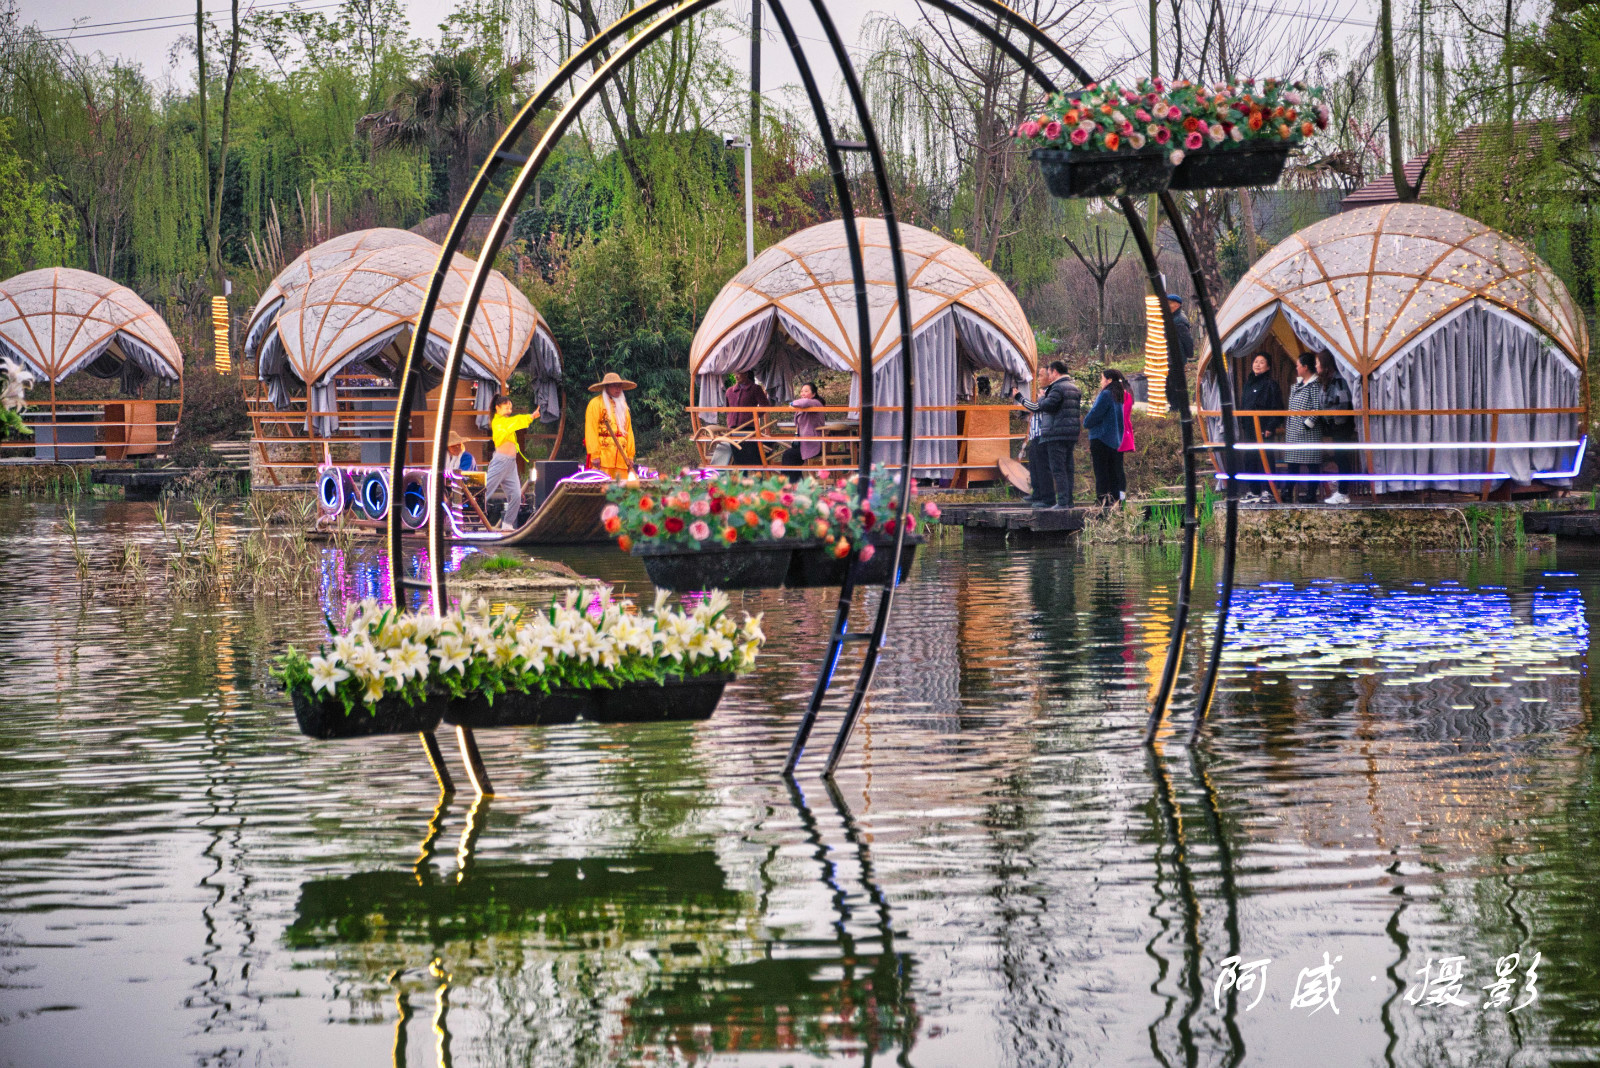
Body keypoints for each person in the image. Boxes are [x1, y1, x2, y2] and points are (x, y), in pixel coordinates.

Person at [1012, 360, 1082, 508]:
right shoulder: (1074, 388)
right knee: (1067, 468)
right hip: (1070, 433)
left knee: (1058, 469)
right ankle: (1067, 501)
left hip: (1055, 433)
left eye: (1049, 373)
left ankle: (1061, 502)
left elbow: (1044, 406)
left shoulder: (1057, 388)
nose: (1048, 376)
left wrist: (1040, 399)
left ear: (1055, 372)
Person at [487, 394, 538, 530]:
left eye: (510, 407)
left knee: (516, 495)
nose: (509, 409)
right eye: (506, 406)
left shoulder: (506, 421)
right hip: (500, 461)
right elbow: (515, 422)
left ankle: (507, 524)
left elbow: (514, 423)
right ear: (497, 408)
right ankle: (463, 516)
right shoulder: (498, 422)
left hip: (510, 463)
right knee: (485, 492)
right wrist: (531, 417)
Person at [1237, 353, 1284, 500]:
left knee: (1266, 458)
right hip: (1250, 429)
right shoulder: (1248, 384)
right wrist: (1244, 424)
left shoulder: (1271, 384)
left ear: (1268, 366)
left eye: (1262, 362)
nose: (1257, 364)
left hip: (1265, 429)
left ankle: (1269, 490)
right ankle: (1254, 490)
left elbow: (1278, 408)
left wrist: (1270, 427)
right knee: (1250, 458)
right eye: (1256, 361)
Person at [1316, 351, 1357, 505]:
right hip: (1333, 425)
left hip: (1341, 426)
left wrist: (1335, 421)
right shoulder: (1328, 381)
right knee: (1339, 458)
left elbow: (1343, 404)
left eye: (1318, 363)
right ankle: (1340, 491)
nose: (1316, 366)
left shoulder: (1338, 381)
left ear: (1325, 365)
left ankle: (1343, 492)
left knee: (1342, 458)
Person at [1284, 353, 1325, 504]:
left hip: (1309, 433)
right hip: (1293, 433)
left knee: (1312, 465)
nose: (1296, 368)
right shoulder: (1297, 385)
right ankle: (1287, 492)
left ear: (1305, 367)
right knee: (1292, 464)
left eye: (1298, 365)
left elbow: (1317, 407)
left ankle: (1311, 494)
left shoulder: (1315, 385)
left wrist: (1306, 425)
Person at [1083, 368, 1126, 507]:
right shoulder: (1118, 395)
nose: (1101, 381)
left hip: (1101, 439)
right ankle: (1114, 503)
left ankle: (1102, 503)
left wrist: (1086, 422)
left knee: (1101, 474)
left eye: (1102, 378)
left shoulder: (1106, 394)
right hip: (1115, 441)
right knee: (1113, 474)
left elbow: (1094, 414)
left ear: (1108, 380)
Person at [584, 372, 637, 480]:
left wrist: (630, 455)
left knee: (622, 491)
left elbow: (629, 431)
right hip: (603, 459)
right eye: (614, 386)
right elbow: (591, 430)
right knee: (602, 490)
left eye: (619, 386)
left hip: (622, 460)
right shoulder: (595, 404)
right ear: (607, 387)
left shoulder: (623, 407)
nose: (617, 389)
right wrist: (594, 455)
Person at [725, 370, 770, 467]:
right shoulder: (729, 391)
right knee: (738, 458)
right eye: (735, 373)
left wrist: (754, 416)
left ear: (746, 374)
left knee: (753, 456)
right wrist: (729, 421)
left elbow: (765, 405)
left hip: (749, 427)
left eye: (739, 373)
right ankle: (742, 480)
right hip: (733, 428)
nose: (736, 376)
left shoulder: (755, 388)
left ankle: (758, 480)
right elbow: (727, 409)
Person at [780, 382, 825, 478]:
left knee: (789, 456)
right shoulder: (804, 406)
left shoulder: (815, 403)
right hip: (803, 443)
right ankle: (794, 484)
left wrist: (792, 403)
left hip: (813, 444)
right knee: (789, 456)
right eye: (801, 391)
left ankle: (793, 485)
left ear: (813, 394)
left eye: (806, 391)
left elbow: (805, 402)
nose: (803, 393)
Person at [1114, 368, 1135, 501]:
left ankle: (1120, 493)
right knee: (1117, 464)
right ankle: (1119, 492)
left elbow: (1122, 414)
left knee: (1117, 465)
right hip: (1120, 433)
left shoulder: (1124, 394)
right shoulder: (1125, 392)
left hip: (1119, 433)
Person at [1166, 293, 1194, 368]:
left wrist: (1189, 354)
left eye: (1169, 303)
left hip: (1175, 359)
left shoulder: (1179, 320)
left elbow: (1187, 339)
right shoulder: (1172, 317)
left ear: (1177, 305)